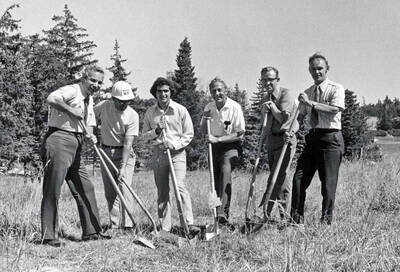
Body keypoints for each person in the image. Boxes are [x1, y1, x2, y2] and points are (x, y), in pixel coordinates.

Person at [41, 65, 110, 247]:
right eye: (93, 80)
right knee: (53, 188)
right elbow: (51, 98)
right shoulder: (73, 90)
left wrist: (91, 134)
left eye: (99, 82)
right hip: (60, 139)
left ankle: (92, 232)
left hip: (77, 143)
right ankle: (48, 236)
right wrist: (70, 110)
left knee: (85, 187)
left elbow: (90, 122)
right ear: (84, 78)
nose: (96, 84)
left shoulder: (89, 99)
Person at [290, 53, 345, 225]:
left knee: (328, 184)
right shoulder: (307, 93)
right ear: (309, 70)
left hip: (330, 139)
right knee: (298, 178)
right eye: (313, 69)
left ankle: (326, 222)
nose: (317, 72)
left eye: (320, 68)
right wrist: (291, 131)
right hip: (312, 139)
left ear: (327, 69)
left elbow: (335, 109)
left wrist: (311, 103)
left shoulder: (336, 88)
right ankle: (295, 220)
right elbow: (299, 118)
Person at [142, 77, 198, 233]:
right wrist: (157, 131)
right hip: (159, 154)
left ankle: (188, 224)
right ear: (155, 93)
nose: (163, 94)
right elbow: (144, 136)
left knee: (180, 187)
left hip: (177, 154)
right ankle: (165, 227)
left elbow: (189, 134)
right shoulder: (150, 112)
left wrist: (173, 145)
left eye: (166, 91)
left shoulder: (180, 110)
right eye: (159, 91)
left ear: (170, 92)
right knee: (162, 190)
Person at [94, 81, 139, 232]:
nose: (124, 104)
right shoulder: (104, 106)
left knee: (124, 188)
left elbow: (128, 143)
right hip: (105, 152)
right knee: (110, 191)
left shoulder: (133, 115)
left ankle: (128, 226)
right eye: (120, 101)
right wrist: (94, 134)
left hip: (125, 154)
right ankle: (114, 225)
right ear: (113, 98)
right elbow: (89, 117)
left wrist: (122, 166)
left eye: (127, 101)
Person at [200, 77, 245, 225]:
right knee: (214, 179)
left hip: (230, 146)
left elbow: (240, 133)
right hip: (213, 146)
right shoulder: (209, 107)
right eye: (214, 90)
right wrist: (205, 119)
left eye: (220, 90)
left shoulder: (234, 107)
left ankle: (223, 214)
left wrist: (219, 139)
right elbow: (202, 130)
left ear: (226, 90)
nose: (217, 93)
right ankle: (216, 217)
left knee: (225, 172)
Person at [258, 67, 298, 221]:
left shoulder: (285, 94)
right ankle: (284, 216)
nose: (267, 82)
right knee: (281, 179)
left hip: (285, 139)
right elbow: (264, 123)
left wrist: (273, 108)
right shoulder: (264, 99)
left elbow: (283, 119)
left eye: (270, 79)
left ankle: (268, 213)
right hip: (271, 140)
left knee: (278, 177)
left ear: (277, 80)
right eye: (264, 80)